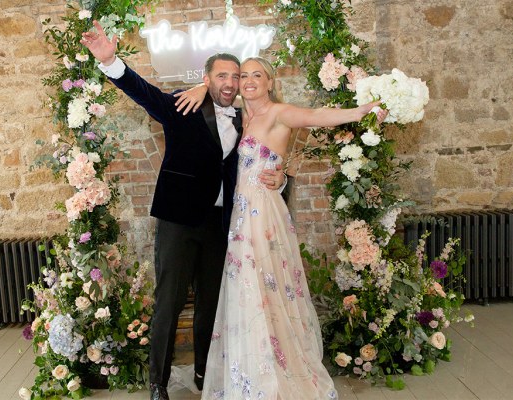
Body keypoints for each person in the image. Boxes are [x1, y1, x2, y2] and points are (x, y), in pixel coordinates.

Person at [80, 24, 285, 400]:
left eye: (235, 76)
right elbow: (145, 94)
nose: (230, 82)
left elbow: (259, 165)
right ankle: (157, 382)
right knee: (169, 303)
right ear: (206, 79)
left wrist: (280, 176)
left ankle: (207, 373)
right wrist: (110, 61)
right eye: (221, 75)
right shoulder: (184, 105)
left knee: (212, 304)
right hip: (178, 221)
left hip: (220, 226)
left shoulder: (247, 121)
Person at [175, 57, 387, 399]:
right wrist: (202, 86)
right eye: (244, 75)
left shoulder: (279, 113)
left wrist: (359, 111)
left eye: (257, 75)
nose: (248, 81)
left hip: (264, 218)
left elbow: (316, 117)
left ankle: (274, 376)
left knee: (267, 289)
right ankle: (248, 372)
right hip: (238, 219)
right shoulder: (241, 116)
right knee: (245, 291)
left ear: (270, 82)